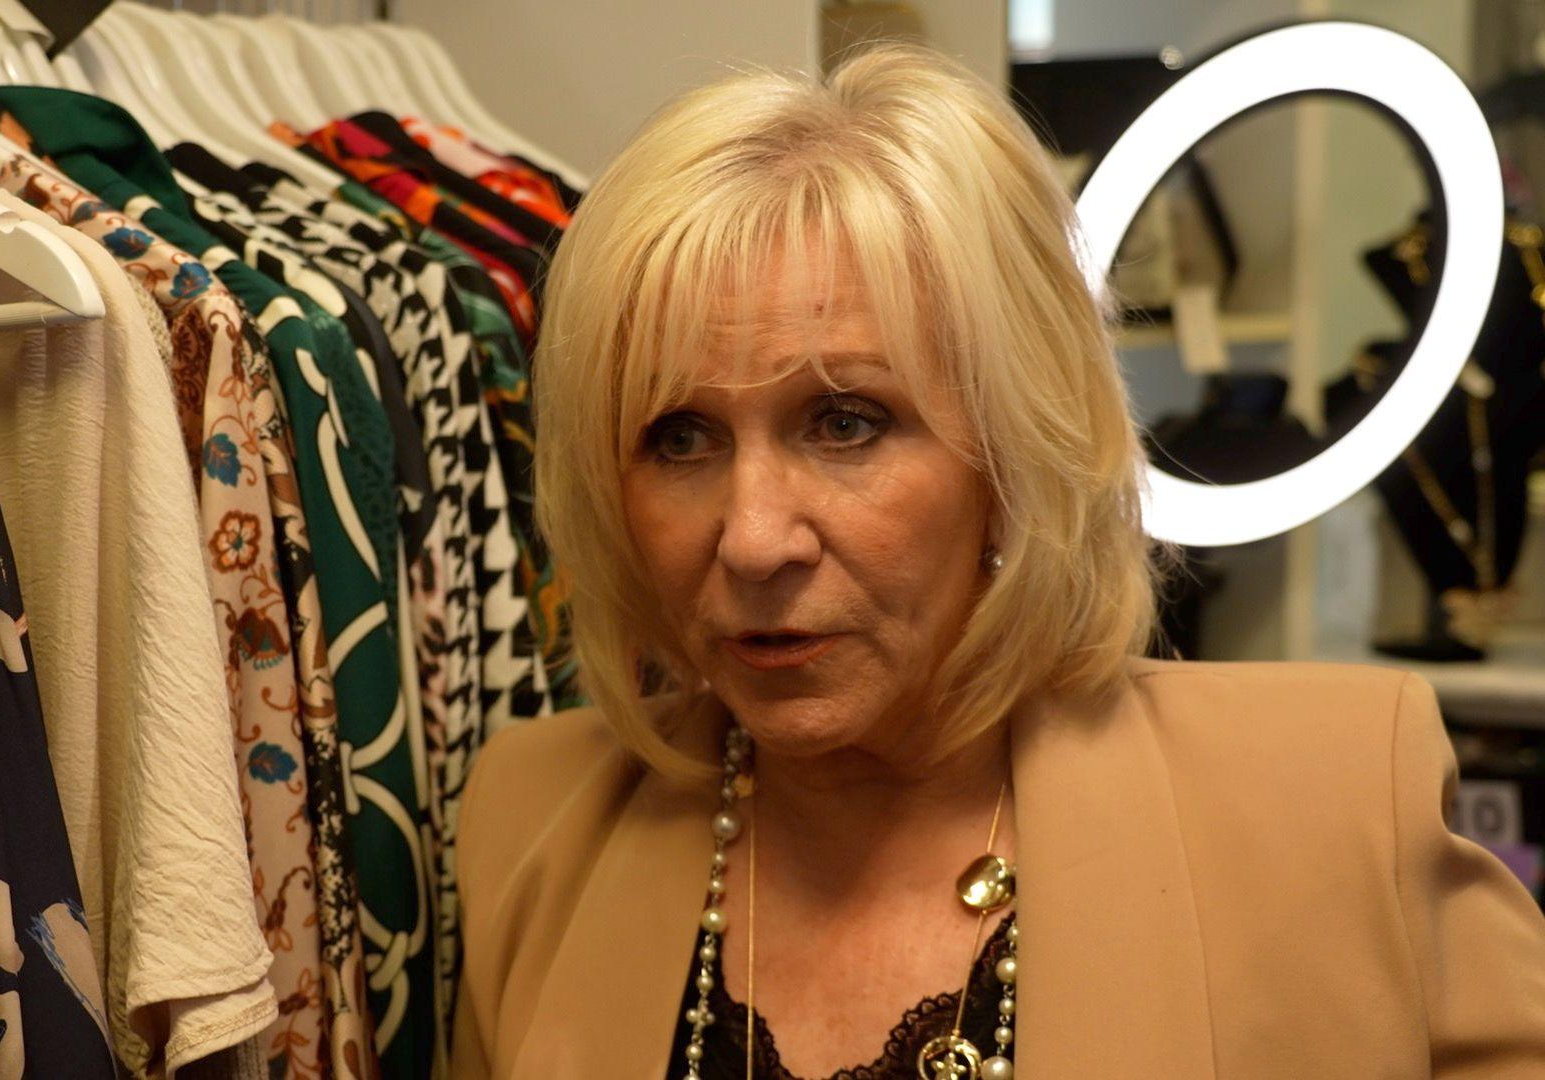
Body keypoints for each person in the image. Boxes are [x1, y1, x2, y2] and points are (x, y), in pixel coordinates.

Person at [447, 42, 1545, 1080]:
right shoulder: (533, 831)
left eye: (844, 423)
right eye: (678, 438)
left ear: (1013, 451)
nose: (753, 539)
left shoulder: (1336, 809)